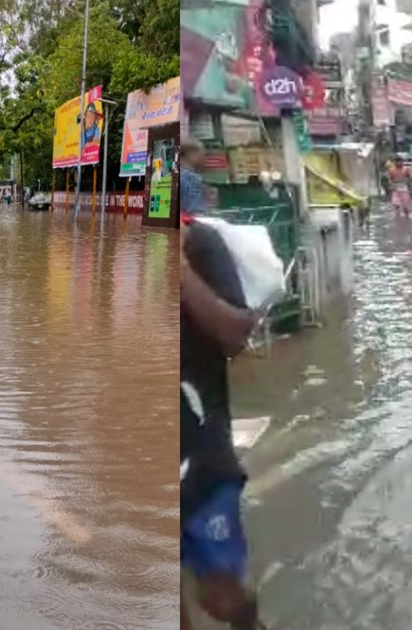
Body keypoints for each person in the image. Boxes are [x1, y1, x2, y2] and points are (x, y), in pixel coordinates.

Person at [180, 215, 267, 630]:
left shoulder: (200, 242)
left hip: (201, 462)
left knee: (222, 597)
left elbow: (235, 336)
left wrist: (180, 273)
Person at [179, 138, 209, 216]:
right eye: (203, 155)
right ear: (191, 155)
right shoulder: (191, 178)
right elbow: (196, 211)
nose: (205, 159)